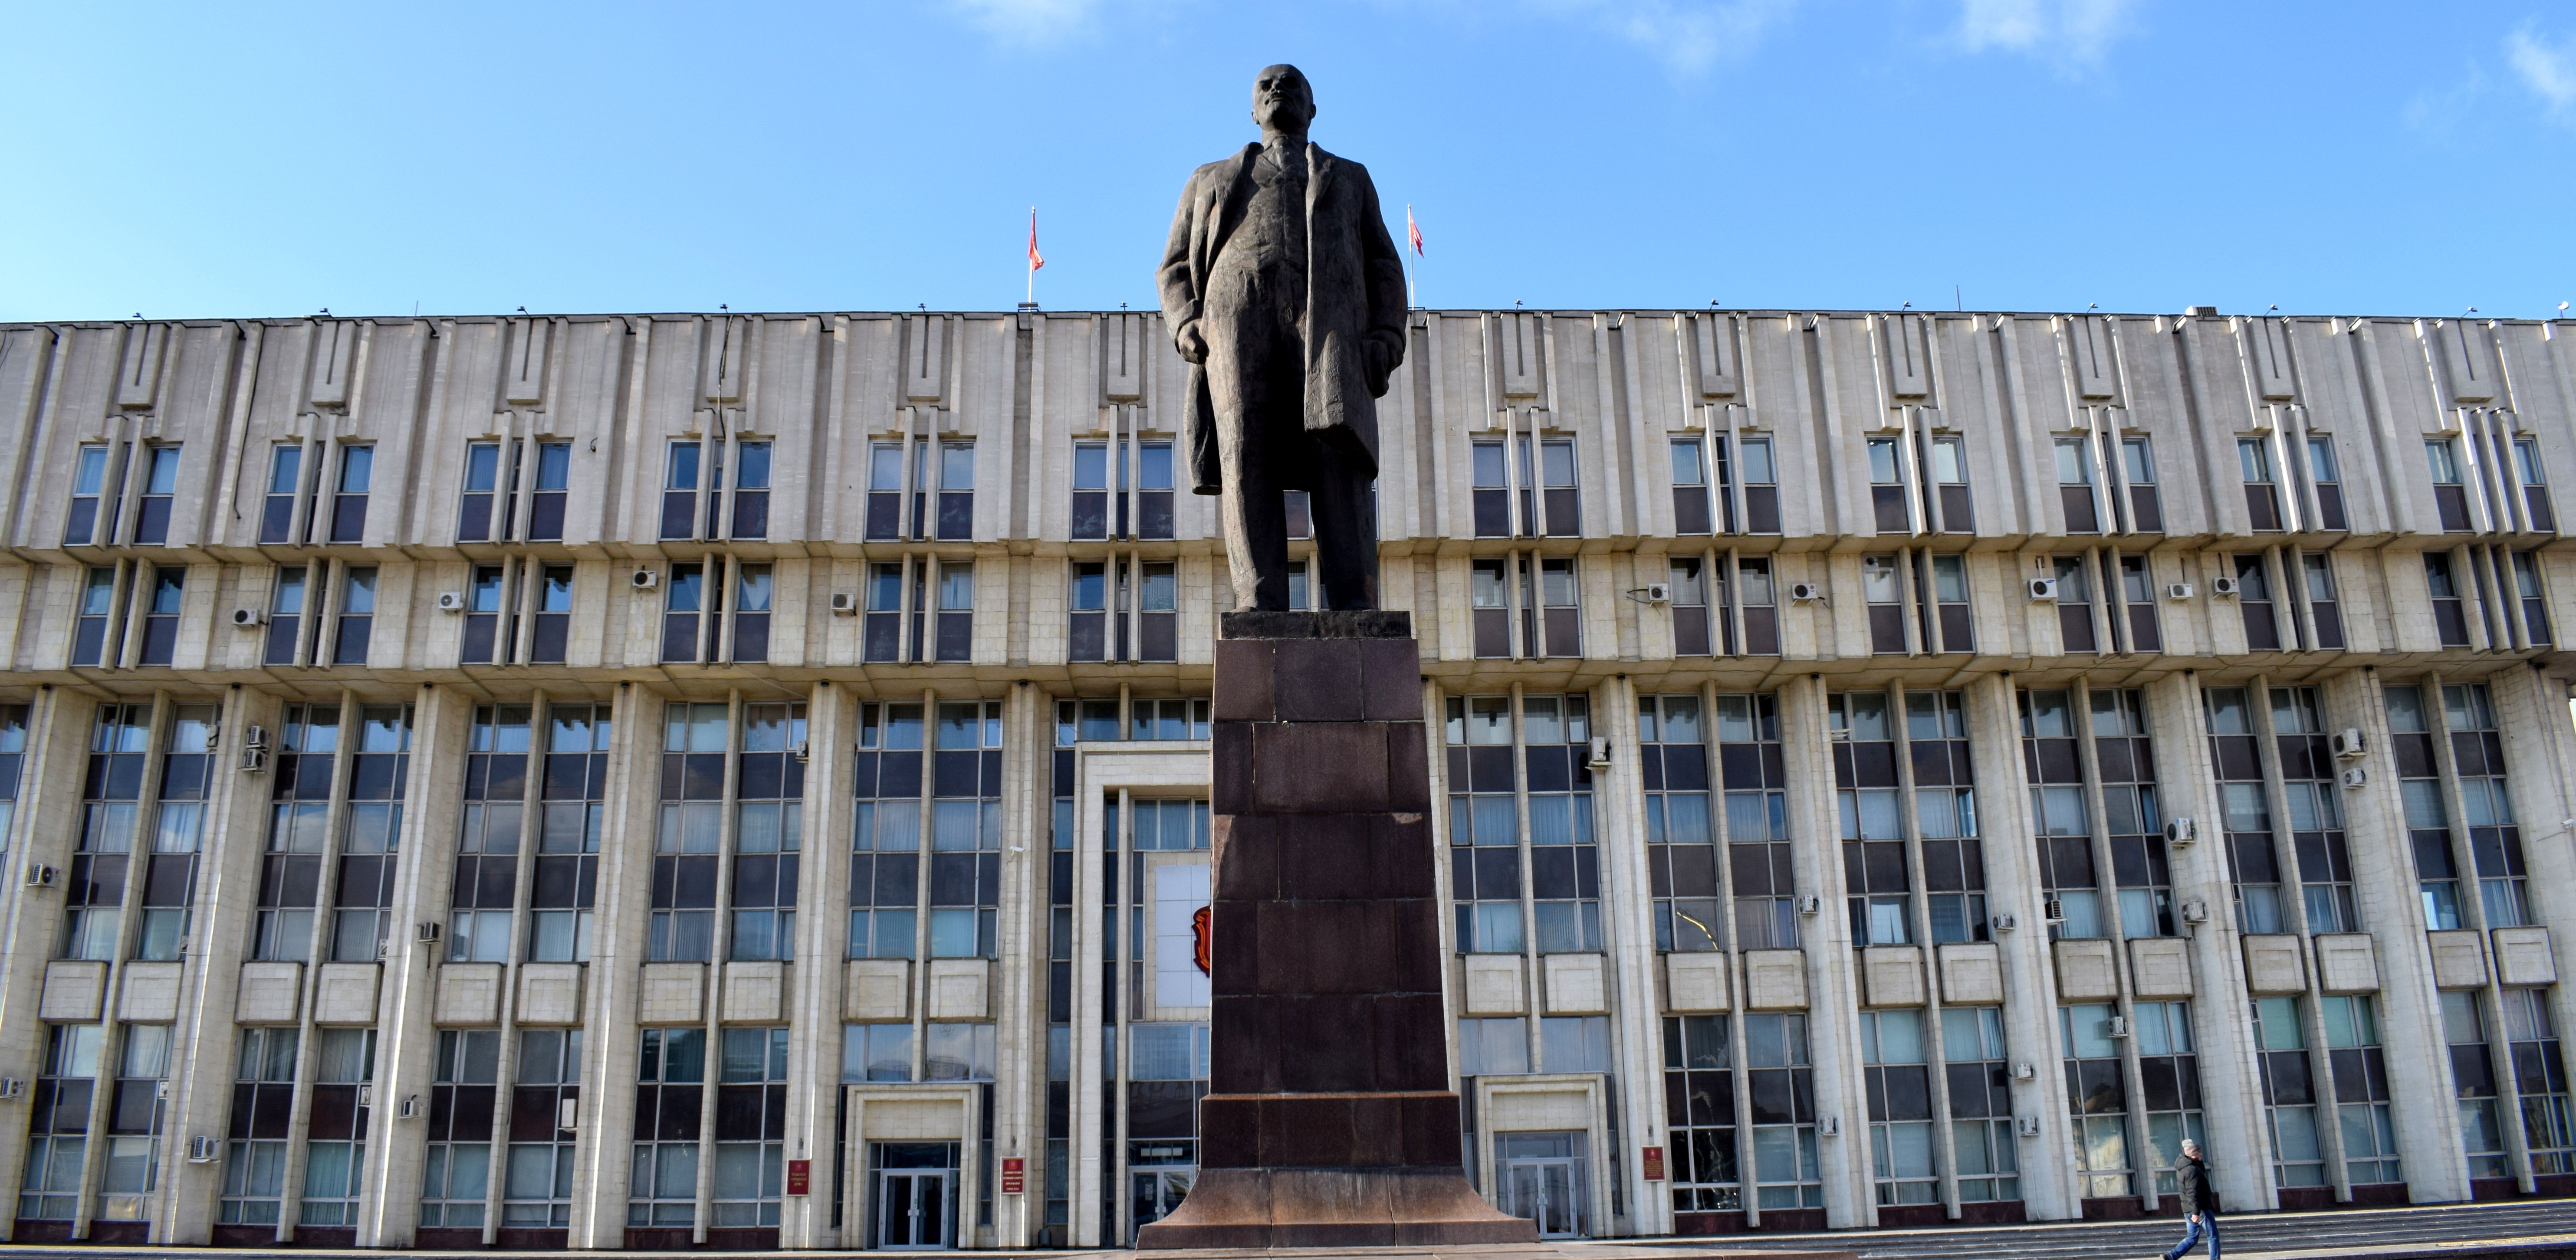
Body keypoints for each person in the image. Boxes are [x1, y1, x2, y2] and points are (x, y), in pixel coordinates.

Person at [1157, 64, 1409, 611]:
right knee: (1246, 451)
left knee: (1337, 451)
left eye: (1290, 85)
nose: (1277, 91)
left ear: (1312, 109)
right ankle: (1259, 598)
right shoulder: (1210, 179)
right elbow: (1174, 265)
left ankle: (1353, 599)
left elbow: (1384, 264)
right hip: (1234, 324)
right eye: (1265, 86)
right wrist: (1186, 321)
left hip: (1328, 324)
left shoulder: (1349, 177)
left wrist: (1387, 334)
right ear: (1252, 111)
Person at [2162, 1138, 2220, 1260]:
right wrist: (2196, 1212)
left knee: (2192, 1238)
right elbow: (2192, 1192)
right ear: (2194, 1155)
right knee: (2213, 1236)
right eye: (2200, 1153)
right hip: (2200, 1209)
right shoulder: (2192, 1170)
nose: (2202, 1155)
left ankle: (2170, 1256)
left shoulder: (2185, 1166)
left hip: (2189, 1208)